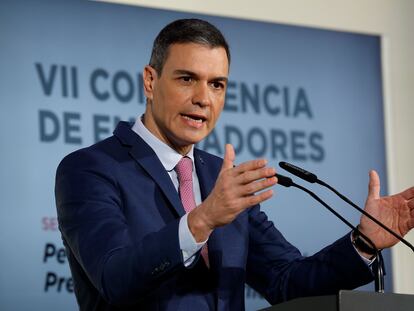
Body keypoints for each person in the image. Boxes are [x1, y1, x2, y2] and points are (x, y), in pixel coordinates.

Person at [55, 19, 414, 311]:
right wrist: (202, 220)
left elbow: (285, 280)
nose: (202, 99)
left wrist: (363, 243)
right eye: (186, 79)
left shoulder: (220, 178)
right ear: (150, 81)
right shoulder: (91, 169)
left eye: (217, 85)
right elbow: (114, 279)